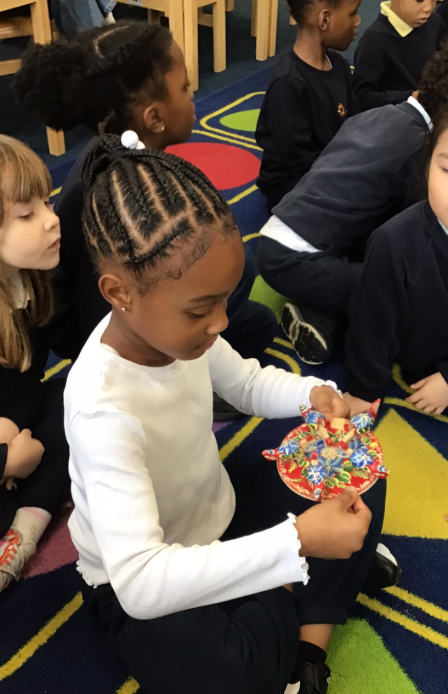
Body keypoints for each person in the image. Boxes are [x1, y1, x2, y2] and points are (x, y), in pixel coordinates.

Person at [65, 133, 389, 694]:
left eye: (224, 299)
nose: (219, 323)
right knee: (232, 671)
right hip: (138, 578)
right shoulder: (103, 410)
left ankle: (307, 651)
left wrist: (312, 394)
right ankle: (310, 580)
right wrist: (294, 544)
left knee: (361, 467)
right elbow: (141, 582)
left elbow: (245, 382)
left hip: (220, 514)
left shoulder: (178, 335)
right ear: (119, 293)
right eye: (200, 310)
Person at [13, 21, 277, 421]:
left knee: (258, 323)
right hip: (102, 324)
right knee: (242, 290)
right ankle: (177, 387)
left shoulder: (128, 157)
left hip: (128, 299)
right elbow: (104, 305)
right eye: (185, 88)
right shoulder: (116, 196)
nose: (193, 96)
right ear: (153, 117)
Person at [257, 31, 448, 365]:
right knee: (414, 290)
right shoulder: (419, 148)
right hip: (299, 261)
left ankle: (324, 314)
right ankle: (330, 313)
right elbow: (424, 240)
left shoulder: (382, 114)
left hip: (281, 239)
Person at [343, 88, 448, 440]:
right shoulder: (396, 242)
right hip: (430, 359)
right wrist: (362, 390)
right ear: (427, 166)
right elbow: (373, 325)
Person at [0, 136, 69, 592]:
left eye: (47, 202)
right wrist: (6, 459)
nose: (51, 219)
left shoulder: (27, 284)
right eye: (27, 215)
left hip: (18, 424)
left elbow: (30, 380)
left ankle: (20, 537)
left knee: (77, 399)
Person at [255, 0, 361, 212]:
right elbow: (299, 161)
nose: (358, 21)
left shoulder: (339, 65)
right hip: (292, 185)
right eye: (353, 13)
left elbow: (355, 124)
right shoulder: (288, 84)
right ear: (324, 20)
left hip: (333, 168)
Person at [353, 0, 447, 112]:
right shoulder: (373, 42)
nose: (428, 7)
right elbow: (361, 98)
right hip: (399, 115)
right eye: (419, 0)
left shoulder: (435, 22)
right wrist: (409, 98)